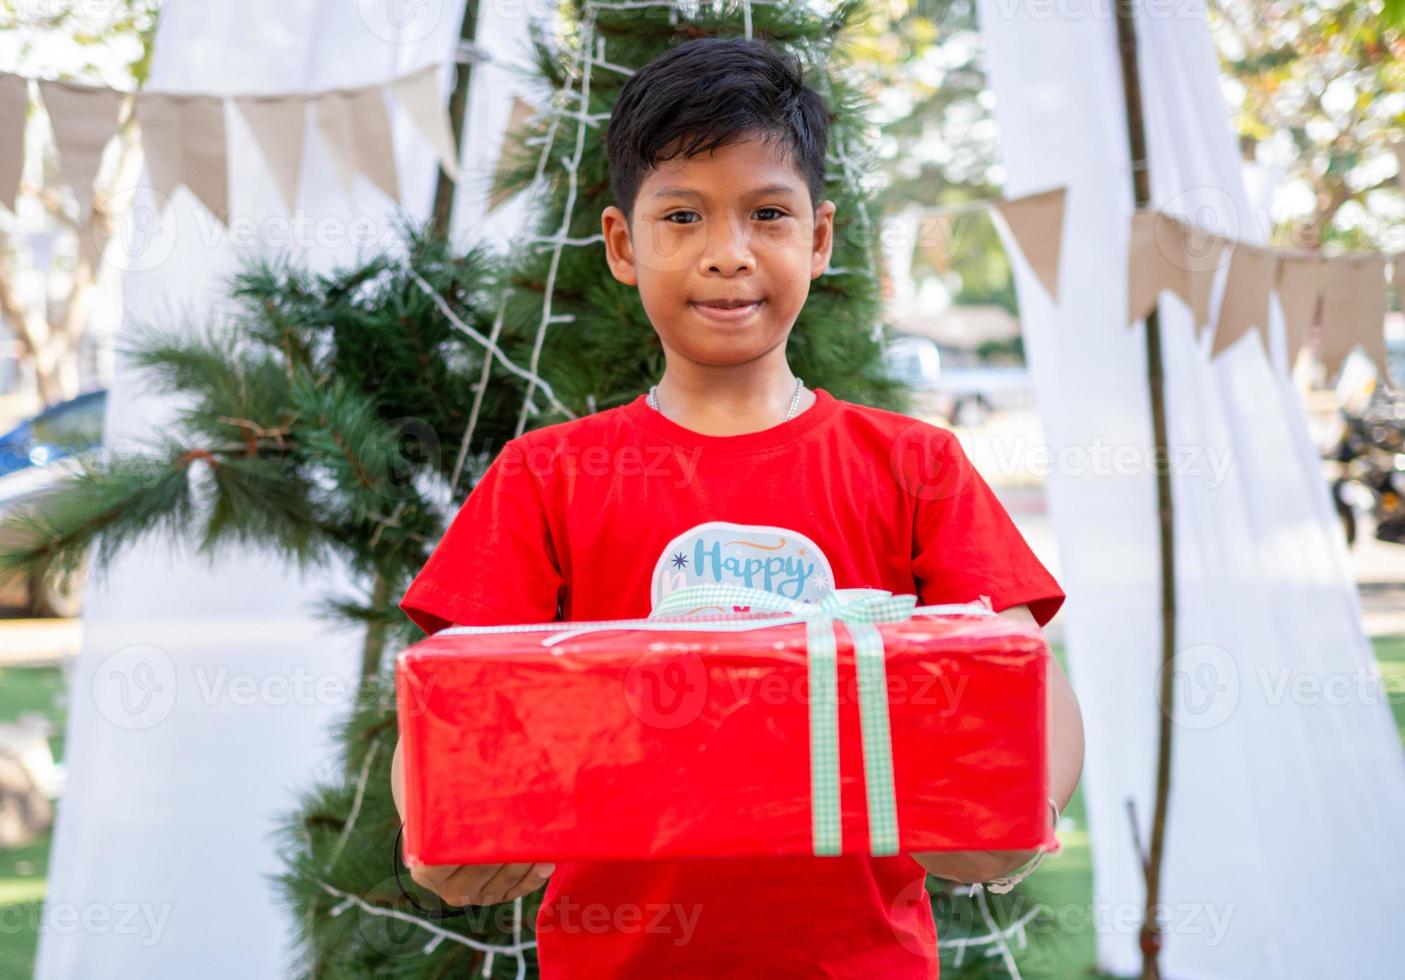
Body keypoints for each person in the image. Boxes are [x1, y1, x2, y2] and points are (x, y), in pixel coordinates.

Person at [391, 36, 1084, 978]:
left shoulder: (914, 465)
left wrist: (1021, 818)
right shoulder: (545, 476)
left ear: (819, 238)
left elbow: (1021, 676)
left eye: (766, 213)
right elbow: (449, 697)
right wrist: (438, 833)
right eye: (683, 216)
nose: (728, 254)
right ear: (623, 245)